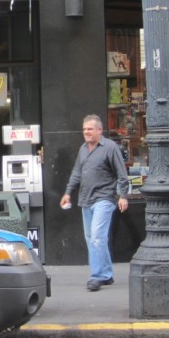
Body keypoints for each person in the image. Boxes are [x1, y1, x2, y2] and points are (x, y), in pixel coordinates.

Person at [60, 114, 129, 292]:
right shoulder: (83, 149)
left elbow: (122, 174)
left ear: (100, 130)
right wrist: (68, 193)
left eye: (90, 129)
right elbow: (76, 173)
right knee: (93, 239)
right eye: (84, 129)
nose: (86, 132)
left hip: (104, 199)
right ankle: (106, 274)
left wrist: (122, 196)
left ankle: (96, 276)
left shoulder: (110, 147)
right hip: (85, 199)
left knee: (97, 238)